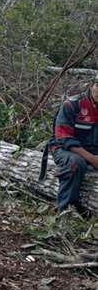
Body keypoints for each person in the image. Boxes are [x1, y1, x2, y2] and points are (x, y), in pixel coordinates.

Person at [43, 77, 98, 214]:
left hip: (93, 149)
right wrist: (92, 159)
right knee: (76, 163)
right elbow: (64, 138)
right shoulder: (73, 104)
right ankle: (65, 209)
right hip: (65, 148)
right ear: (91, 85)